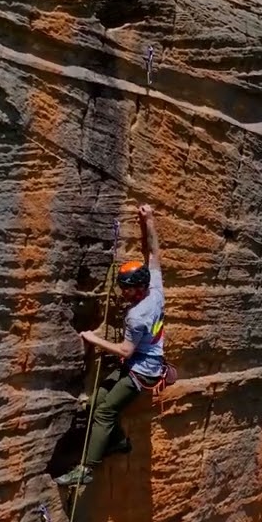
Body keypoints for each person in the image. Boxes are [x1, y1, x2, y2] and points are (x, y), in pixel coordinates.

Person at [55, 203, 166, 487]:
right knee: (99, 402)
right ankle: (117, 441)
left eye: (127, 288)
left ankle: (86, 470)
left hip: (142, 371)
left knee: (104, 411)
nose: (123, 292)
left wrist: (94, 339)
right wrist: (148, 220)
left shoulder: (138, 315)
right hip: (142, 362)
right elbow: (153, 253)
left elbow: (125, 351)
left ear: (139, 288)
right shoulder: (154, 288)